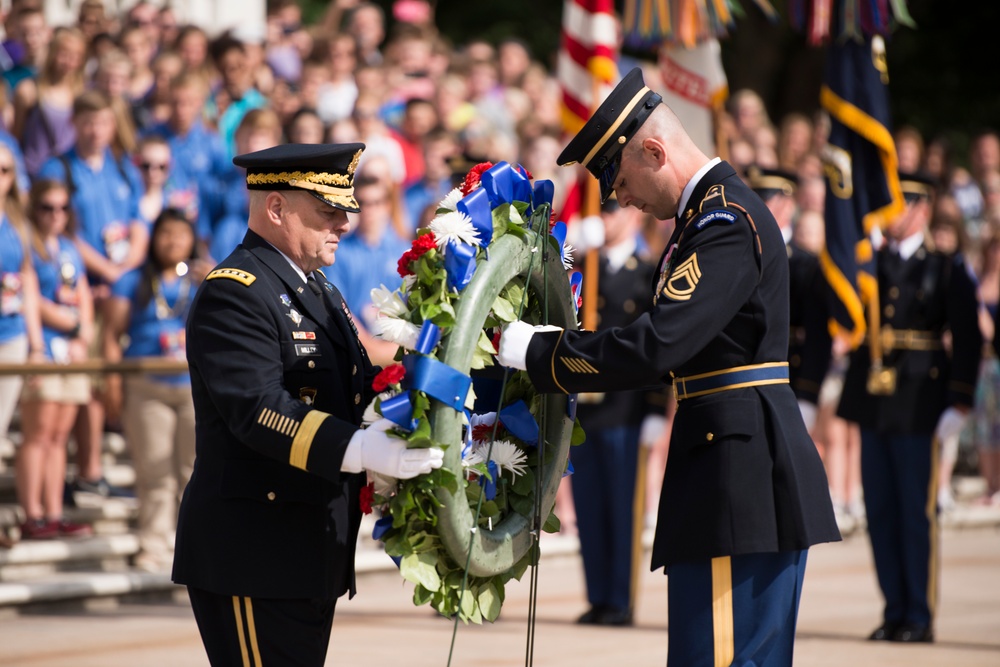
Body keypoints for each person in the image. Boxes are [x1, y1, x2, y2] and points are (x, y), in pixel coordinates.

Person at [497, 68, 840, 666]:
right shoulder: (701, 220)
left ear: (654, 150)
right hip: (727, 470)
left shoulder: (723, 221)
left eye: (621, 179)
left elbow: (659, 344)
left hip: (739, 478)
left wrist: (541, 353)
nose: (620, 198)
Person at [172, 143, 443, 666]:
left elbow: (361, 384)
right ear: (276, 208)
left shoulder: (319, 289)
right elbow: (257, 409)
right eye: (327, 211)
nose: (343, 223)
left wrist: (436, 406)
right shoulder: (236, 292)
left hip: (307, 553)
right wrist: (359, 447)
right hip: (254, 555)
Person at [837, 171, 982, 643]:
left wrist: (960, 400)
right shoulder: (868, 265)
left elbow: (967, 338)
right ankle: (893, 608)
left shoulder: (944, 266)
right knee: (880, 509)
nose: (887, 214)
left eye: (895, 205)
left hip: (921, 402)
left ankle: (919, 613)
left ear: (919, 209)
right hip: (876, 402)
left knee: (914, 514)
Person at [570, 198, 668, 627]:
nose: (603, 219)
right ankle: (598, 596)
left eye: (610, 211)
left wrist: (656, 408)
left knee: (622, 509)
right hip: (584, 411)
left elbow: (660, 348)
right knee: (589, 508)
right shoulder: (583, 271)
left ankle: (621, 599)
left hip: (626, 409)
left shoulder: (647, 274)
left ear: (631, 215)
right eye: (601, 212)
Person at [103, 209, 203, 572]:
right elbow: (110, 335)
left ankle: (195, 548)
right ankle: (153, 546)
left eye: (181, 233)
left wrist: (214, 281)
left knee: (195, 472)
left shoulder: (204, 279)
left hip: (193, 387)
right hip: (146, 386)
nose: (173, 240)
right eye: (165, 233)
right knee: (154, 473)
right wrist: (112, 383)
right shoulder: (131, 281)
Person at [17, 179, 93, 540]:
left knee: (60, 436)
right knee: (38, 433)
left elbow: (83, 294)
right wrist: (66, 326)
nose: (55, 215)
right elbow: (30, 296)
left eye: (62, 208)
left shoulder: (69, 247)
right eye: (48, 207)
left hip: (71, 350)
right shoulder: (26, 244)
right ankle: (32, 514)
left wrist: (83, 334)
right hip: (44, 346)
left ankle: (53, 511)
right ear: (35, 209)